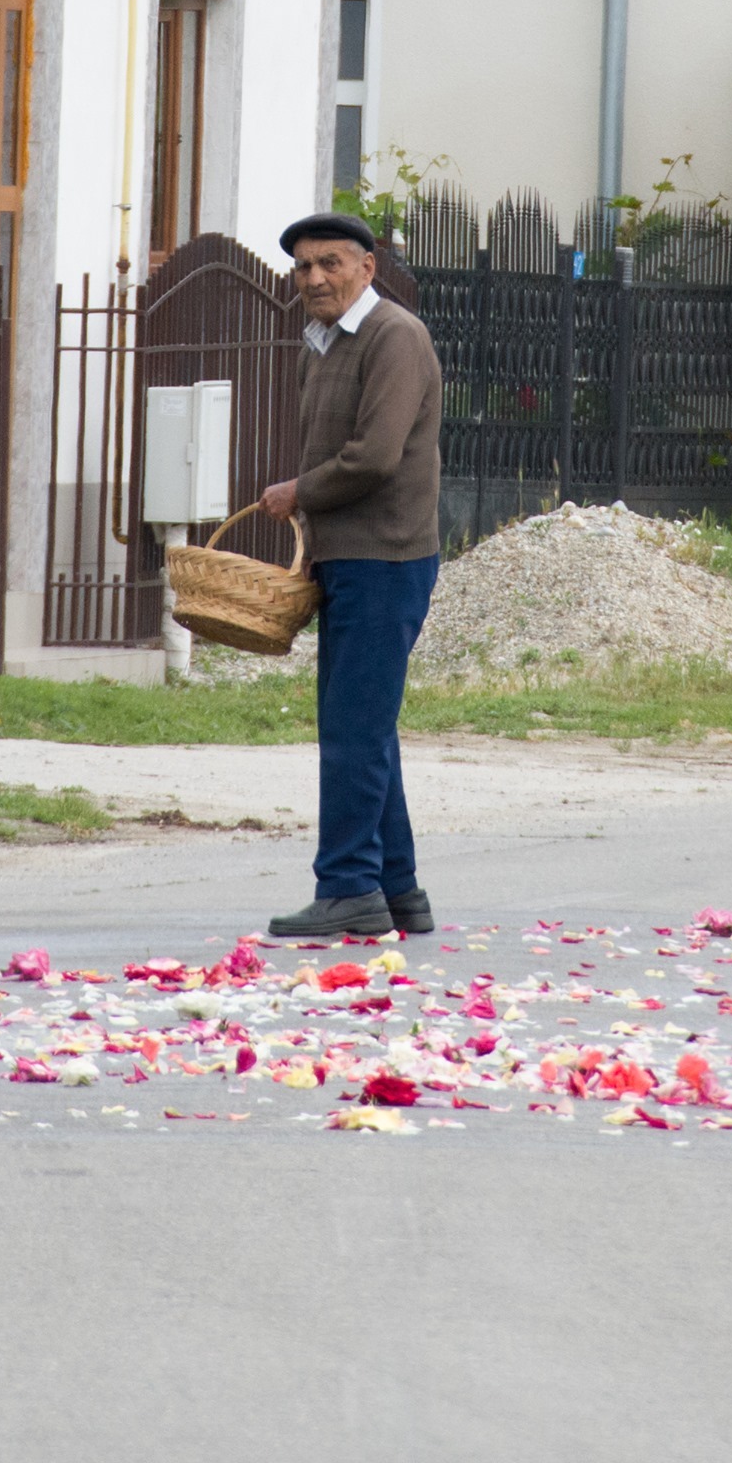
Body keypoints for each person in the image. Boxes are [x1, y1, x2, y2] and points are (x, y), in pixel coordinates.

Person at [254, 211, 443, 941]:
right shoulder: (323, 341)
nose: (314, 278)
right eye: (303, 267)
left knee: (353, 732)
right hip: (348, 556)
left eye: (330, 263)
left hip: (386, 557)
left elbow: (374, 457)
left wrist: (298, 492)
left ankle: (348, 887)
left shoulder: (395, 336)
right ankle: (395, 890)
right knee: (364, 726)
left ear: (368, 268)